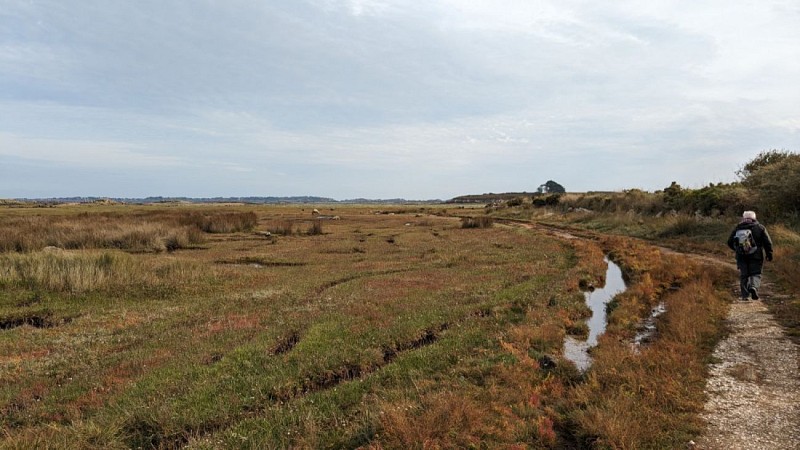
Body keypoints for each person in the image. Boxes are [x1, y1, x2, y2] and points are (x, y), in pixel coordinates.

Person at [727, 211, 774, 301]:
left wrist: (737, 250)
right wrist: (769, 254)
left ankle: (745, 296)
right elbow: (767, 243)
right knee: (756, 273)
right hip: (756, 255)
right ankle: (753, 287)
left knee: (744, 275)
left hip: (741, 256)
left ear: (743, 218)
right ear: (754, 218)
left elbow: (729, 242)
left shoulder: (738, 227)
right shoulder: (760, 227)